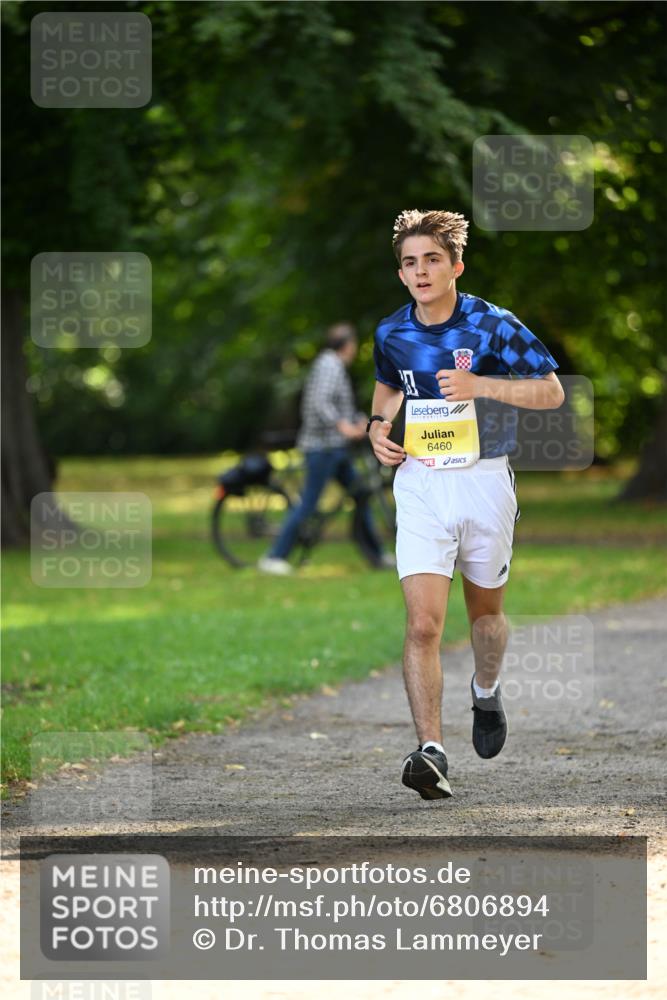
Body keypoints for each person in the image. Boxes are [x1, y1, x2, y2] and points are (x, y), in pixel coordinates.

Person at [368, 209, 564, 800]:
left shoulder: (493, 324)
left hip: (483, 480)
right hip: (420, 484)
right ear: (401, 274)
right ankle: (431, 751)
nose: (421, 271)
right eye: (410, 262)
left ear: (455, 265)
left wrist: (483, 386)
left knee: (485, 619)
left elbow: (552, 392)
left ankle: (486, 687)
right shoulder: (390, 332)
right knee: (423, 624)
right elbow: (388, 384)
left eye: (432, 260)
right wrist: (378, 426)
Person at [259, 323, 392, 575]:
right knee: (309, 503)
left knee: (361, 495)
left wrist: (360, 422)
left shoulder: (332, 365)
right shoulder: (329, 365)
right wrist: (343, 426)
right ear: (347, 345)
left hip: (336, 448)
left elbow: (339, 404)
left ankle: (376, 556)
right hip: (322, 448)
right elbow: (321, 403)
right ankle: (274, 557)